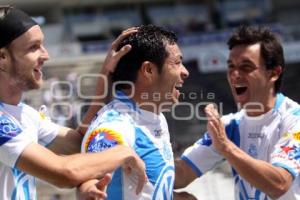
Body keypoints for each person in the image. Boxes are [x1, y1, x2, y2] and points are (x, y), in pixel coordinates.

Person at [0, 5, 147, 200]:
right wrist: (122, 152)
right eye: (33, 47)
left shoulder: (25, 114)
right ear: (2, 58)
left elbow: (79, 142)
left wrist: (107, 74)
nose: (46, 55)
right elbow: (65, 173)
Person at [174, 25, 300, 199]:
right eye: (231, 66)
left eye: (246, 67)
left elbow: (279, 184)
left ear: (274, 73)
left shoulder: (294, 120)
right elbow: (181, 174)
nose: (235, 74)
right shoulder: (229, 126)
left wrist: (226, 146)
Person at [81, 24, 189, 199]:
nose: (185, 72)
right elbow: (88, 183)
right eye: (177, 63)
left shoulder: (155, 116)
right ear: (148, 70)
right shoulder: (115, 128)